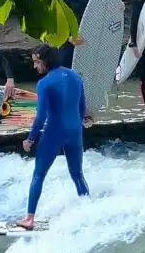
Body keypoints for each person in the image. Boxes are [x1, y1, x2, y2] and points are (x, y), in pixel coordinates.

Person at [16, 45, 90, 230]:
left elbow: (40, 118)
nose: (35, 66)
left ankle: (29, 219)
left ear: (46, 60)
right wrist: (75, 126)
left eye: (37, 61)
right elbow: (82, 108)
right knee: (78, 175)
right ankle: (90, 213)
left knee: (39, 175)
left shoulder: (44, 83)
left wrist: (30, 139)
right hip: (75, 132)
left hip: (54, 133)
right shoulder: (75, 76)